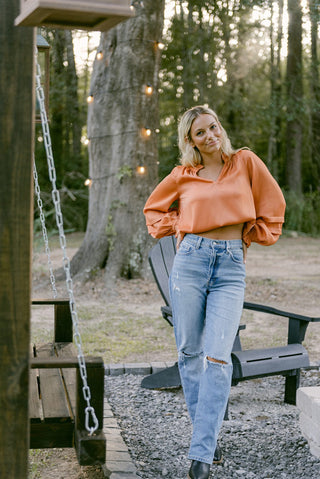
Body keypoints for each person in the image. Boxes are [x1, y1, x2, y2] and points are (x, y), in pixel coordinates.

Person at [143, 105, 286, 479]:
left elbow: (273, 205)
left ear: (220, 127)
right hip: (189, 261)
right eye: (200, 133)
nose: (210, 136)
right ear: (190, 141)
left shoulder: (245, 162)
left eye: (213, 127)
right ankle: (205, 443)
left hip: (230, 266)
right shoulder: (182, 176)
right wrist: (181, 224)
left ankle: (201, 451)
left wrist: (251, 233)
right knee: (190, 351)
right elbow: (153, 210)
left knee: (218, 357)